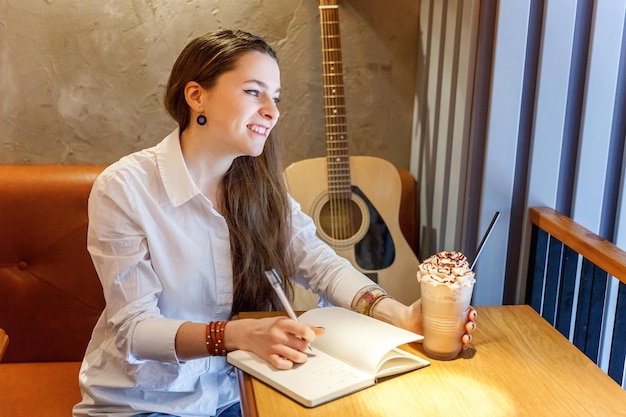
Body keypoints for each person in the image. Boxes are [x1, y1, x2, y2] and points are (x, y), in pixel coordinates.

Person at [73, 29, 476, 417]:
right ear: (196, 96)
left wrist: (398, 315)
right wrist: (235, 335)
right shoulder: (125, 188)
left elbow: (319, 263)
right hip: (146, 403)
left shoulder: (260, 186)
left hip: (240, 392)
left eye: (276, 97)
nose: (272, 110)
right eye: (253, 92)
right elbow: (135, 331)